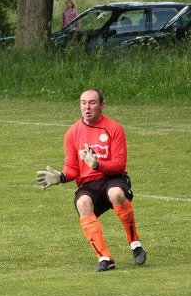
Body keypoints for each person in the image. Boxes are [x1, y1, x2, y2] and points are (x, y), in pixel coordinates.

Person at [36, 88, 147, 272]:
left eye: (92, 103)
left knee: (116, 193)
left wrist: (98, 165)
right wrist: (61, 177)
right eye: (83, 103)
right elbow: (72, 168)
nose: (87, 107)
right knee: (83, 202)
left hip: (113, 178)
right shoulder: (72, 133)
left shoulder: (114, 128)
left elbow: (119, 164)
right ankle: (105, 258)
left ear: (102, 105)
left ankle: (134, 243)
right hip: (89, 185)